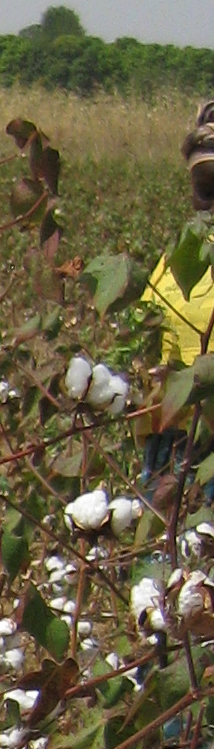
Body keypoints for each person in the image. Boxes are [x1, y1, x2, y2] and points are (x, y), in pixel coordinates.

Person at [142, 98, 214, 504]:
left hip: (171, 445)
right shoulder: (175, 260)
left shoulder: (173, 261)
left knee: (166, 558)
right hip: (185, 440)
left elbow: (146, 358)